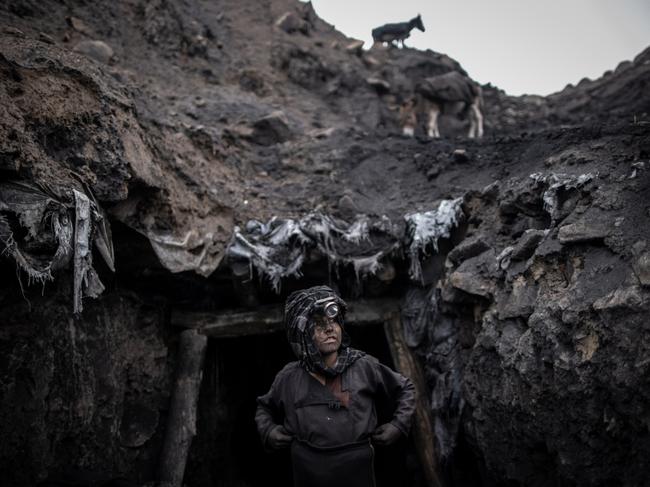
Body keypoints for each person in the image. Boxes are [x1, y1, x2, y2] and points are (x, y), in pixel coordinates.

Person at [255, 285, 416, 487]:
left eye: (333, 321)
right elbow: (264, 407)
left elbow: (406, 389)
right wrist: (269, 431)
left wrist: (398, 425)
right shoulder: (289, 377)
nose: (329, 328)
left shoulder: (364, 366)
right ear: (301, 334)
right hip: (308, 470)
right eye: (318, 324)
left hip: (359, 470)